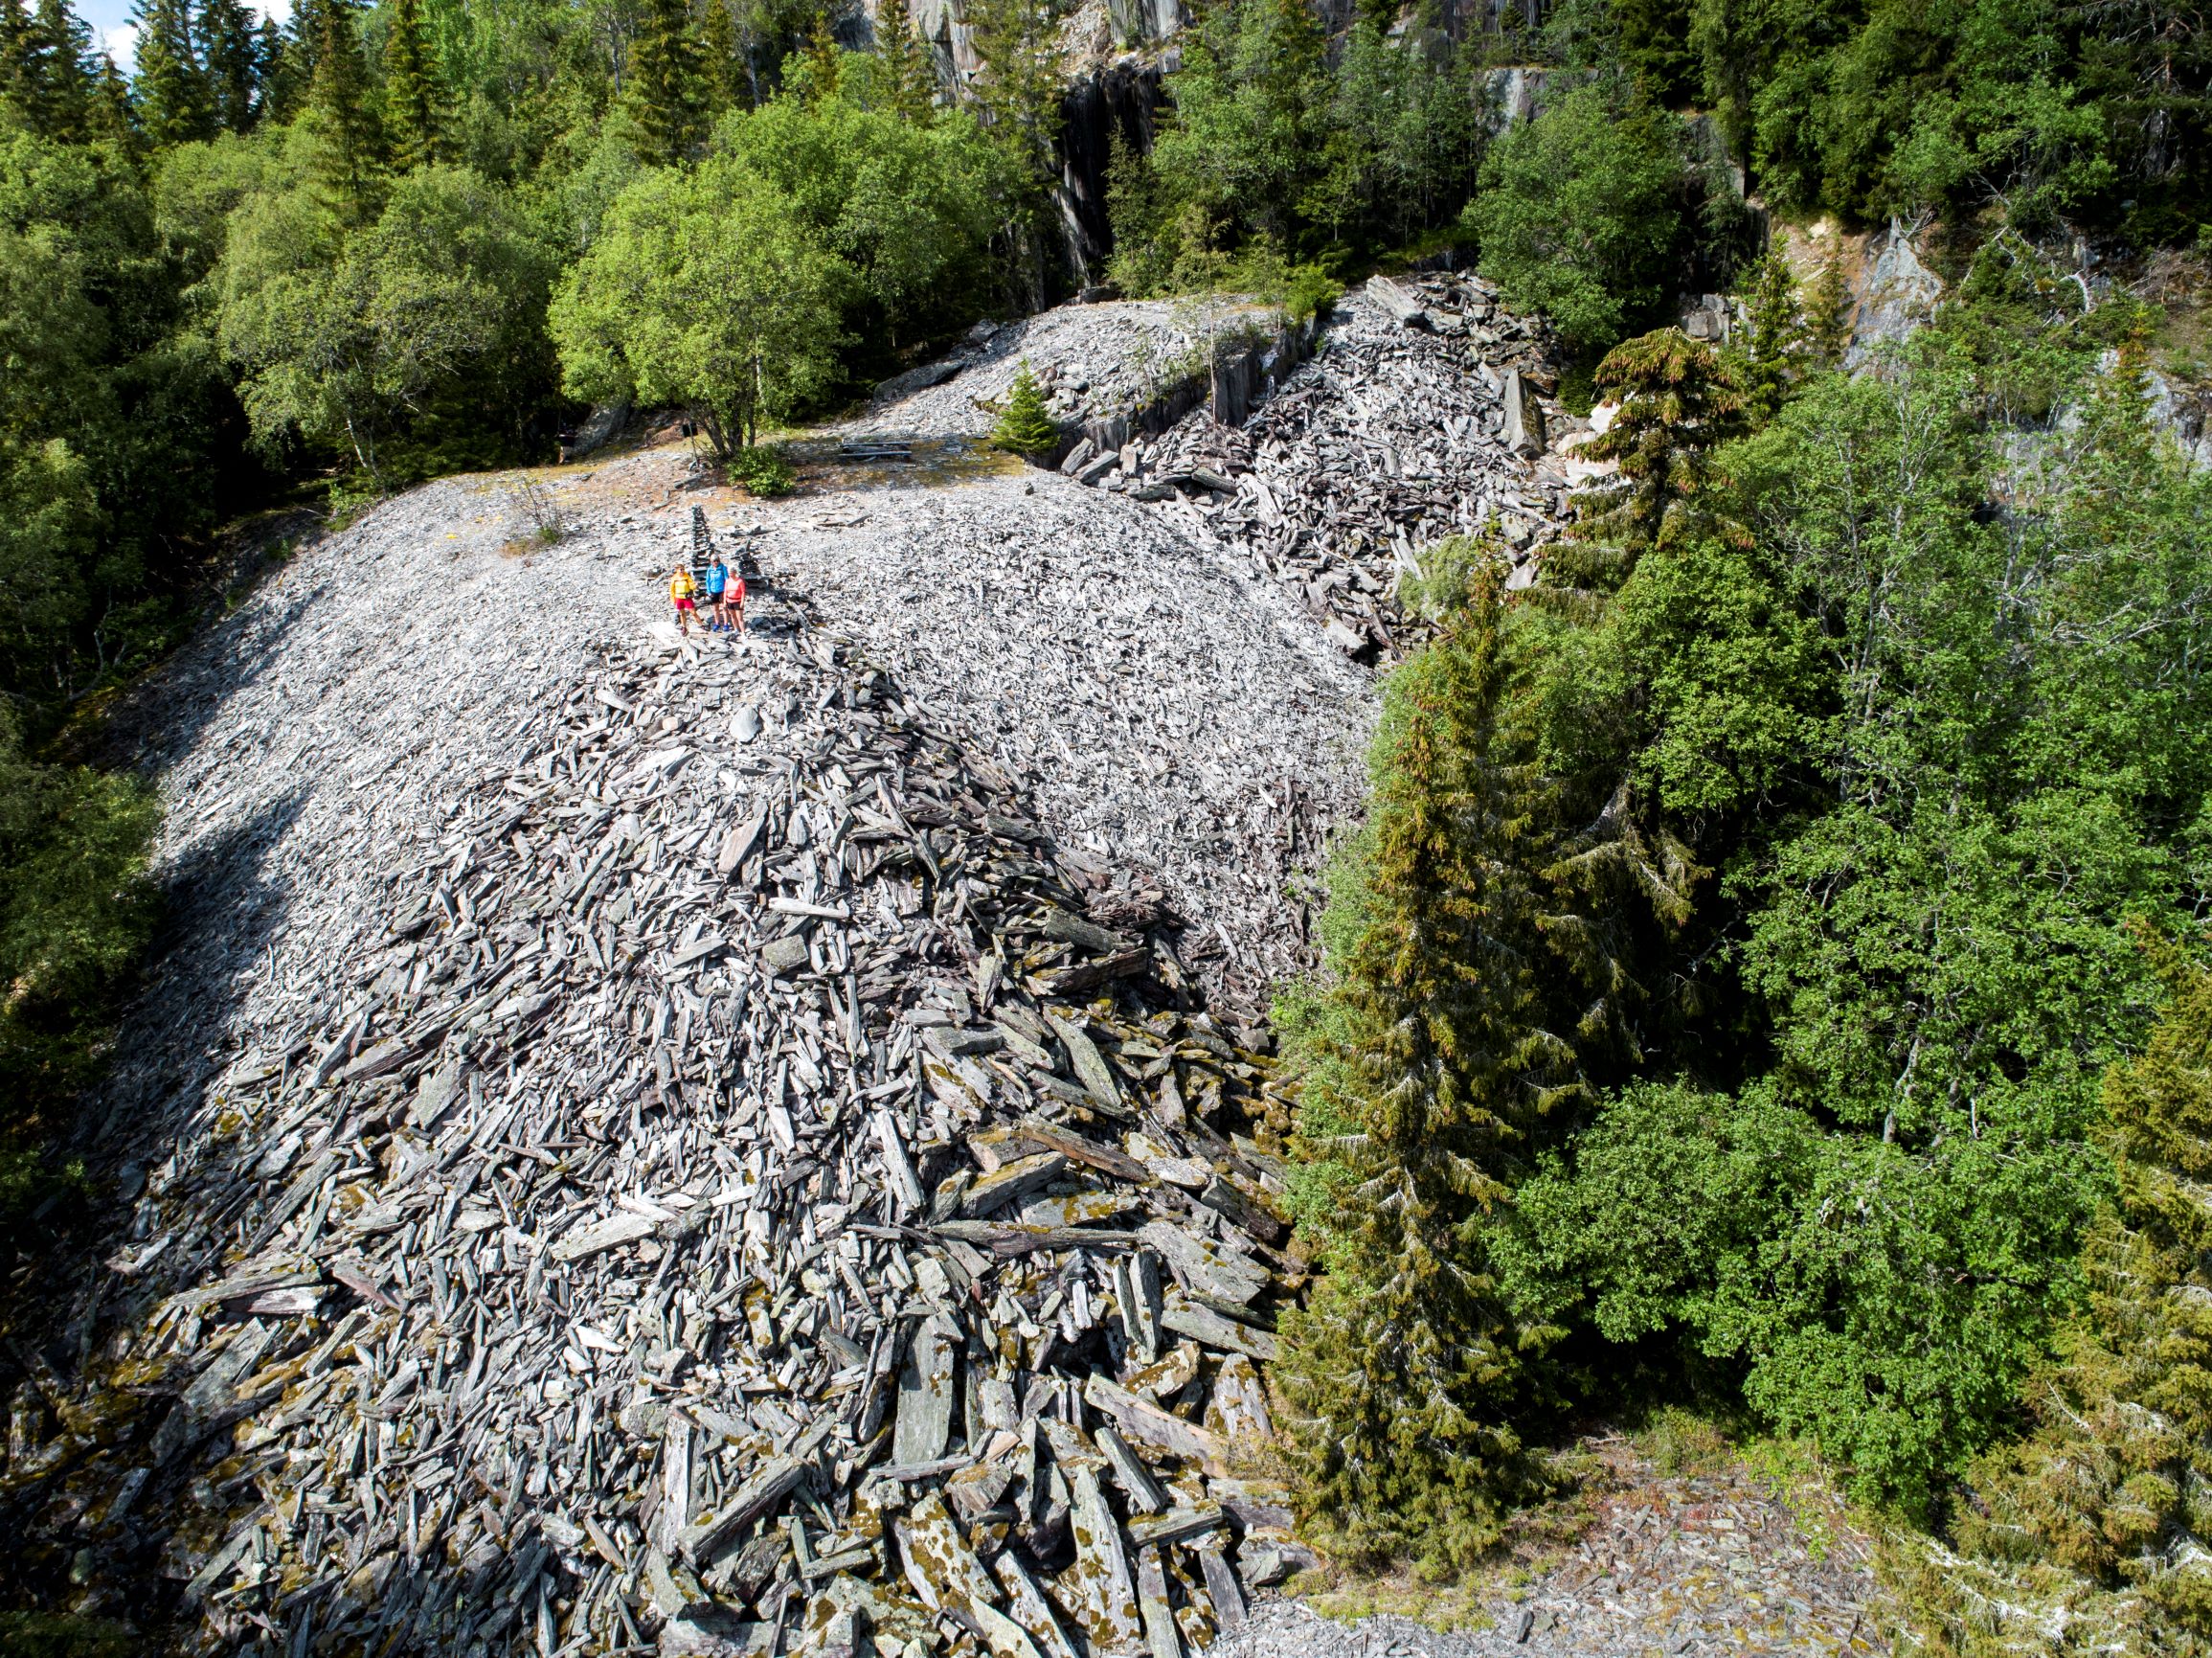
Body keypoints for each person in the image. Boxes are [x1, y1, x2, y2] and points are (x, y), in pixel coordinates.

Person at [669, 566, 698, 634]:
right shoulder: (674, 579)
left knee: (693, 612)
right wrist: (673, 599)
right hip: (678, 597)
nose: (682, 571)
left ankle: (701, 624)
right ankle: (684, 627)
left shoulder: (687, 577)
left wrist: (695, 586)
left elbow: (691, 585)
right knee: (682, 613)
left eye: (683, 569)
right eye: (681, 569)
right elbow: (672, 590)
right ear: (677, 570)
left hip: (687, 597)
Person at [706, 556, 730, 631]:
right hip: (713, 591)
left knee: (724, 607)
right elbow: (707, 581)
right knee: (716, 608)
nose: (716, 562)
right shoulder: (709, 569)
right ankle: (717, 623)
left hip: (722, 590)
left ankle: (726, 624)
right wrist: (709, 591)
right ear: (711, 562)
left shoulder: (723, 568)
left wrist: (726, 590)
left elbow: (726, 579)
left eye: (717, 561)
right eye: (714, 561)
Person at [727, 565, 747, 636]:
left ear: (734, 572)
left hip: (737, 601)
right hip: (729, 600)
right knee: (732, 616)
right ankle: (736, 629)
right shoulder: (727, 581)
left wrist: (742, 602)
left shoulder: (740, 581)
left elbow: (743, 592)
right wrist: (724, 601)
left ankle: (743, 632)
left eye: (731, 573)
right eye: (729, 573)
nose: (730, 575)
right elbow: (725, 591)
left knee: (740, 618)